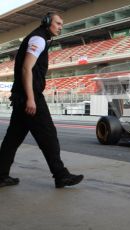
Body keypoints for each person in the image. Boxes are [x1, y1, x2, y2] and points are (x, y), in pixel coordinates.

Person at [0, 12, 83, 188]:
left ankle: (0, 176)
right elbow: (26, 69)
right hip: (30, 97)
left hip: (21, 96)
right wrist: (31, 99)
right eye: (58, 23)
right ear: (47, 23)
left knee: (12, 139)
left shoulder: (39, 38)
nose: (61, 27)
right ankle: (61, 175)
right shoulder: (38, 39)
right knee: (49, 135)